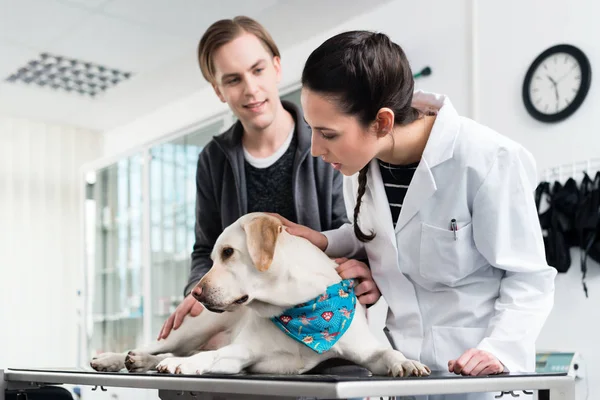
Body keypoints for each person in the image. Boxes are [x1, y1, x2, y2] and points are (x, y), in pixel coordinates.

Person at [274, 30, 556, 398]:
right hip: (405, 373)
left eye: (328, 133)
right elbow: (381, 234)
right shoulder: (358, 167)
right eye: (313, 130)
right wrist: (326, 241)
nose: (315, 149)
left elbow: (530, 278)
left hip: (482, 381)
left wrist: (498, 350)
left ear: (383, 122)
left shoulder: (487, 159)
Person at [157, 17, 380, 349]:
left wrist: (365, 271)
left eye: (257, 70)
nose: (250, 89)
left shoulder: (329, 143)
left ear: (277, 67)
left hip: (327, 324)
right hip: (254, 330)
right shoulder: (213, 159)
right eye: (233, 80)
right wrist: (197, 291)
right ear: (218, 90)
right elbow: (206, 249)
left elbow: (354, 235)